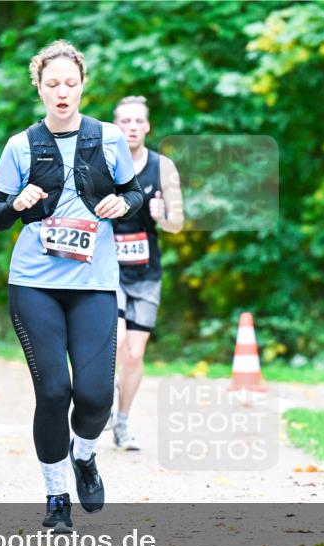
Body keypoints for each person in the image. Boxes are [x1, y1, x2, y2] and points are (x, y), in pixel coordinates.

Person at [0, 40, 143, 531]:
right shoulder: (21, 145)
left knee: (95, 397)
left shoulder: (109, 139)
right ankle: (56, 497)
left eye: (70, 84)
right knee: (54, 392)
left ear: (82, 86)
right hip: (34, 283)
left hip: (94, 283)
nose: (62, 92)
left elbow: (132, 192)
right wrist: (15, 204)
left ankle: (86, 455)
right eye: (52, 84)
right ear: (39, 88)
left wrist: (125, 204)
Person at [110, 96, 184, 450]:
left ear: (148, 126)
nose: (132, 127)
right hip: (107, 269)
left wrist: (162, 215)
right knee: (119, 341)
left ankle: (122, 421)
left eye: (138, 121)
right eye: (126, 121)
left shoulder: (163, 167)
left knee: (136, 355)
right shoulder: (105, 163)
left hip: (146, 272)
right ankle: (100, 401)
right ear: (116, 126)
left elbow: (178, 224)